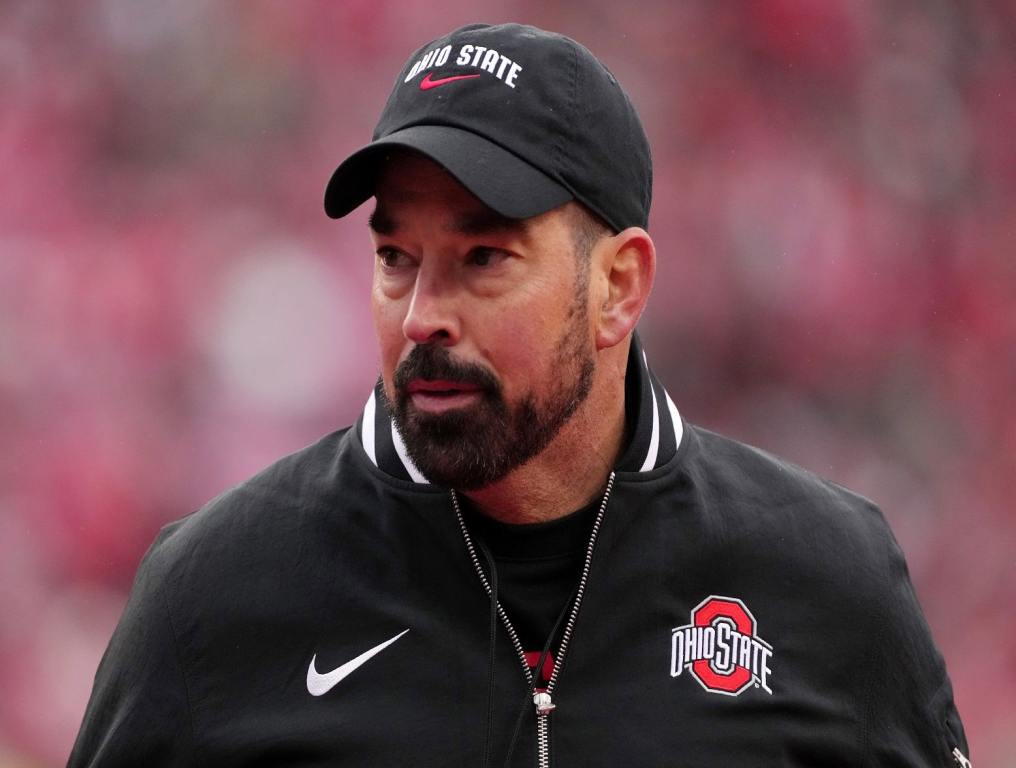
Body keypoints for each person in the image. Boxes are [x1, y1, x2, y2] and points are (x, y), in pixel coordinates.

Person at [70, 22, 971, 768]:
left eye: (483, 258)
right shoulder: (213, 595)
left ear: (618, 285)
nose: (422, 315)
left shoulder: (825, 577)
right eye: (395, 258)